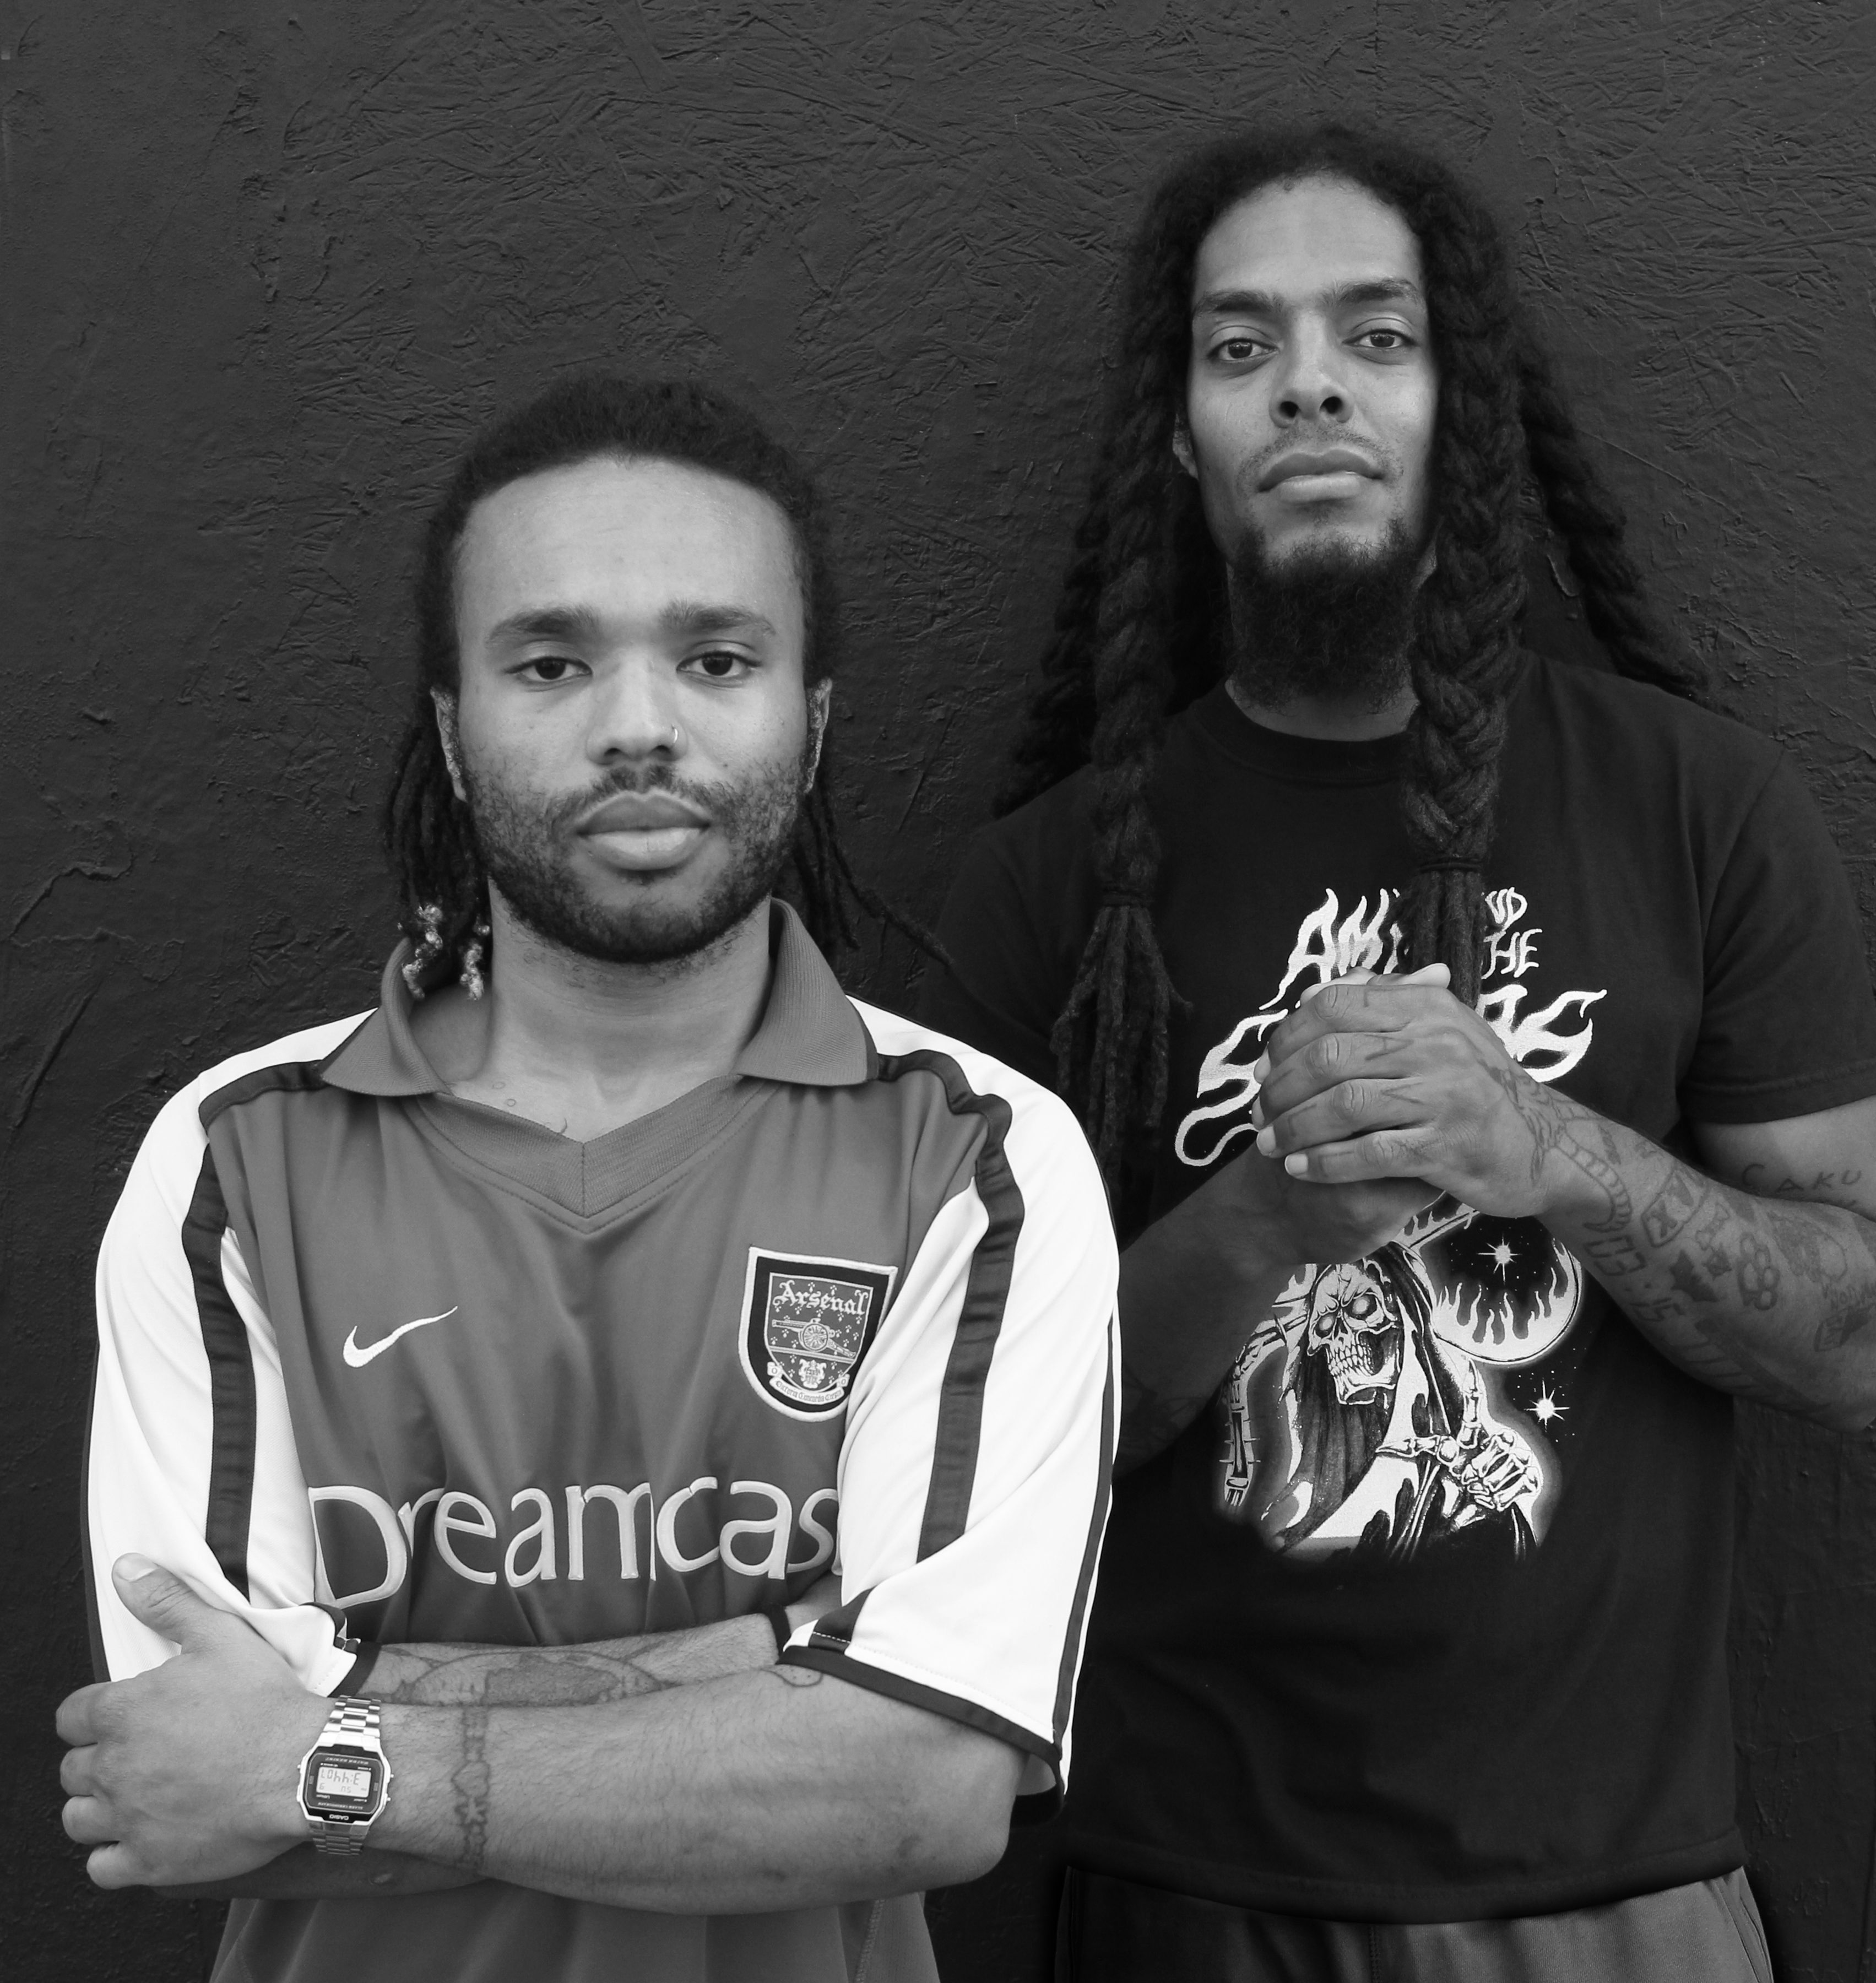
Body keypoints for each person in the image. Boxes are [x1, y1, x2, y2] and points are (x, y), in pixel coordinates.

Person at [918, 124, 1876, 1982]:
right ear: (1181, 437)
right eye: (1242, 348)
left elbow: (1863, 1341)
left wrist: (1552, 1151)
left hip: (1618, 1895)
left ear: (1468, 411)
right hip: (1186, 1898)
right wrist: (1263, 1219)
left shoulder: (1700, 807)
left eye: (1376, 337)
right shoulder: (1047, 887)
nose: (1309, 384)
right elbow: (960, 1447)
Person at [61, 375, 1119, 1983]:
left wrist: (325, 1751)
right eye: (552, 662)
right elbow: (185, 1772)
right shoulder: (235, 1160)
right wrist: (779, 1661)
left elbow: (924, 1788)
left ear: (814, 717)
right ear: (452, 725)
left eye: (718, 659)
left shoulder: (979, 1159)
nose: (639, 723)